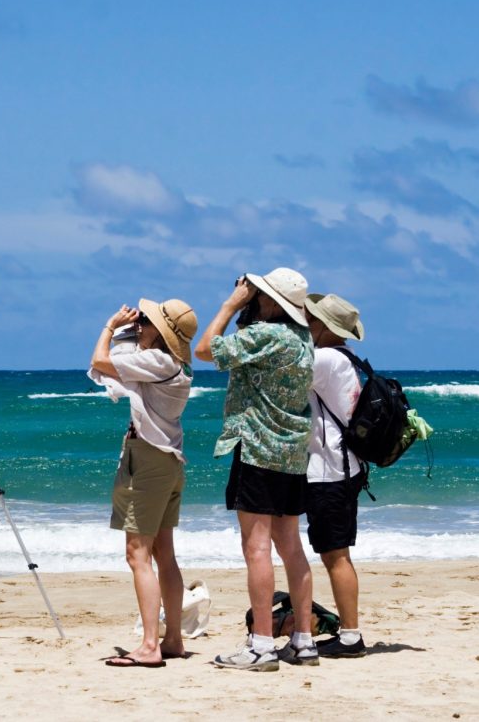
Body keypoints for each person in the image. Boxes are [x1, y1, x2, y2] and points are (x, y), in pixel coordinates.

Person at [194, 268, 316, 671]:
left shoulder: (265, 335)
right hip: (292, 454)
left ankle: (262, 644)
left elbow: (205, 350)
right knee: (291, 547)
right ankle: (303, 641)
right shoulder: (302, 338)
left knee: (257, 547)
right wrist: (249, 311)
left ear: (273, 301)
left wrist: (230, 305)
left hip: (258, 449)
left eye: (259, 293)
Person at [89, 298, 198, 668]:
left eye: (147, 321)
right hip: (168, 459)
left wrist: (111, 325)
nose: (140, 325)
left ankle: (150, 646)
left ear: (162, 332)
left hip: (149, 459)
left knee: (137, 554)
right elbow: (120, 358)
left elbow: (100, 361)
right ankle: (173, 639)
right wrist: (135, 331)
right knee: (164, 554)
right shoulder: (172, 364)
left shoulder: (157, 362)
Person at [305, 293, 369, 658]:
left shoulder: (326, 358)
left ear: (325, 327)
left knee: (335, 555)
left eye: (311, 319)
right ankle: (348, 632)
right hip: (345, 466)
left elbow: (285, 374)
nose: (306, 324)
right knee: (335, 552)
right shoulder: (345, 356)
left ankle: (350, 636)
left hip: (331, 469)